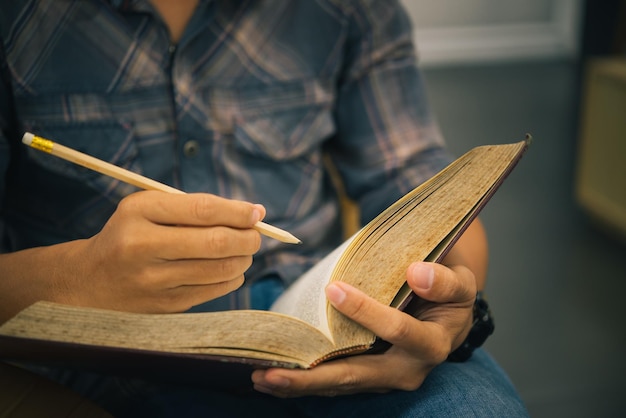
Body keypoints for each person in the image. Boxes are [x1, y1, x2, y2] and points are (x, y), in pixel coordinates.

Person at [0, 0, 529, 416]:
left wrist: (448, 315)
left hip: (317, 324)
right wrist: (82, 276)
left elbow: (423, 189)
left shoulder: (345, 9)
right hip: (110, 356)